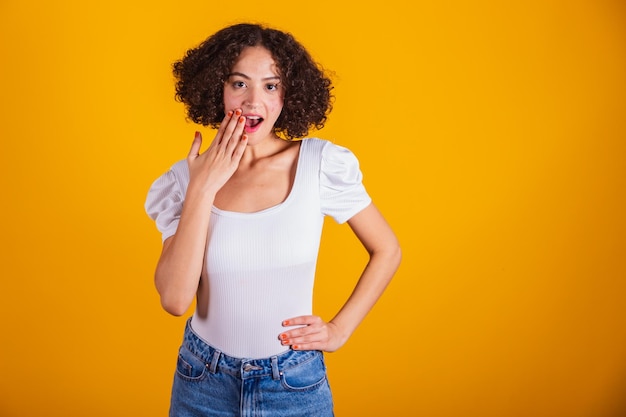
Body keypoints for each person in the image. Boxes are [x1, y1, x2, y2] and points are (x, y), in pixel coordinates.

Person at [145, 22, 401, 417]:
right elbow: (176, 300)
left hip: (293, 382)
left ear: (289, 93)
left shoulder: (319, 165)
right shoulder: (184, 181)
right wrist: (201, 190)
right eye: (239, 84)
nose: (252, 102)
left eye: (270, 85)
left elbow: (387, 250)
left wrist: (339, 330)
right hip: (202, 382)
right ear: (217, 87)